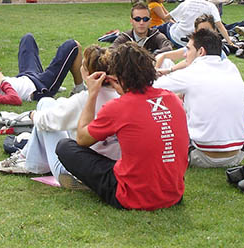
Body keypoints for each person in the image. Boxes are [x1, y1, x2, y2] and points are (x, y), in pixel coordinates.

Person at [55, 42, 189, 210]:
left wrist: (92, 95)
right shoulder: (172, 99)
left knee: (65, 147)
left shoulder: (120, 106)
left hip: (132, 196)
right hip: (173, 194)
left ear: (118, 78)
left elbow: (82, 139)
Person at [0, 45, 121, 181]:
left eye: (82, 65)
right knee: (46, 103)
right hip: (109, 165)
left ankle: (28, 160)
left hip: (76, 168)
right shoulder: (120, 97)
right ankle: (25, 156)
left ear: (87, 73)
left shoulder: (83, 100)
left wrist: (33, 115)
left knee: (43, 113)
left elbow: (46, 121)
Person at [153, 29, 244, 168]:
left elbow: (152, 89)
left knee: (163, 107)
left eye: (188, 49)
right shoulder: (231, 68)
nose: (185, 54)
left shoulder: (192, 72)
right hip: (237, 153)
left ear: (201, 52)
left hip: (202, 154)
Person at [161, 0, 237, 49]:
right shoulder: (210, 6)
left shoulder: (186, 3)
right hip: (198, 43)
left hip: (178, 38)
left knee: (167, 26)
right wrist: (230, 43)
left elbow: (166, 17)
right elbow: (219, 26)